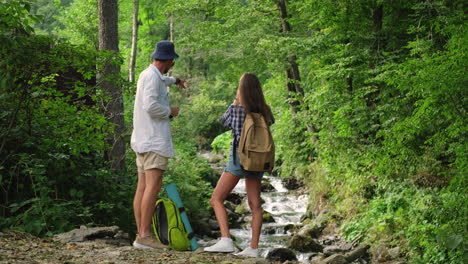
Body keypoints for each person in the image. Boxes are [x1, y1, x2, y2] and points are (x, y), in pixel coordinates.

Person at [204, 73, 274, 258]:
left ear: (241, 89)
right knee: (255, 204)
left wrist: (236, 100)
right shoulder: (265, 110)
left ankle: (226, 240)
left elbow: (223, 121)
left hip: (238, 157)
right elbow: (270, 124)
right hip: (258, 160)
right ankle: (253, 248)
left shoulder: (237, 109)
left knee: (216, 199)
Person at [131, 40, 186, 249]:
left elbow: (162, 79)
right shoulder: (153, 78)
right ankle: (144, 236)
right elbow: (151, 105)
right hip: (154, 141)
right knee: (152, 188)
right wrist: (170, 111)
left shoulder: (150, 74)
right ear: (169, 60)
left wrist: (175, 80)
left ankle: (141, 234)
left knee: (143, 187)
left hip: (143, 140)